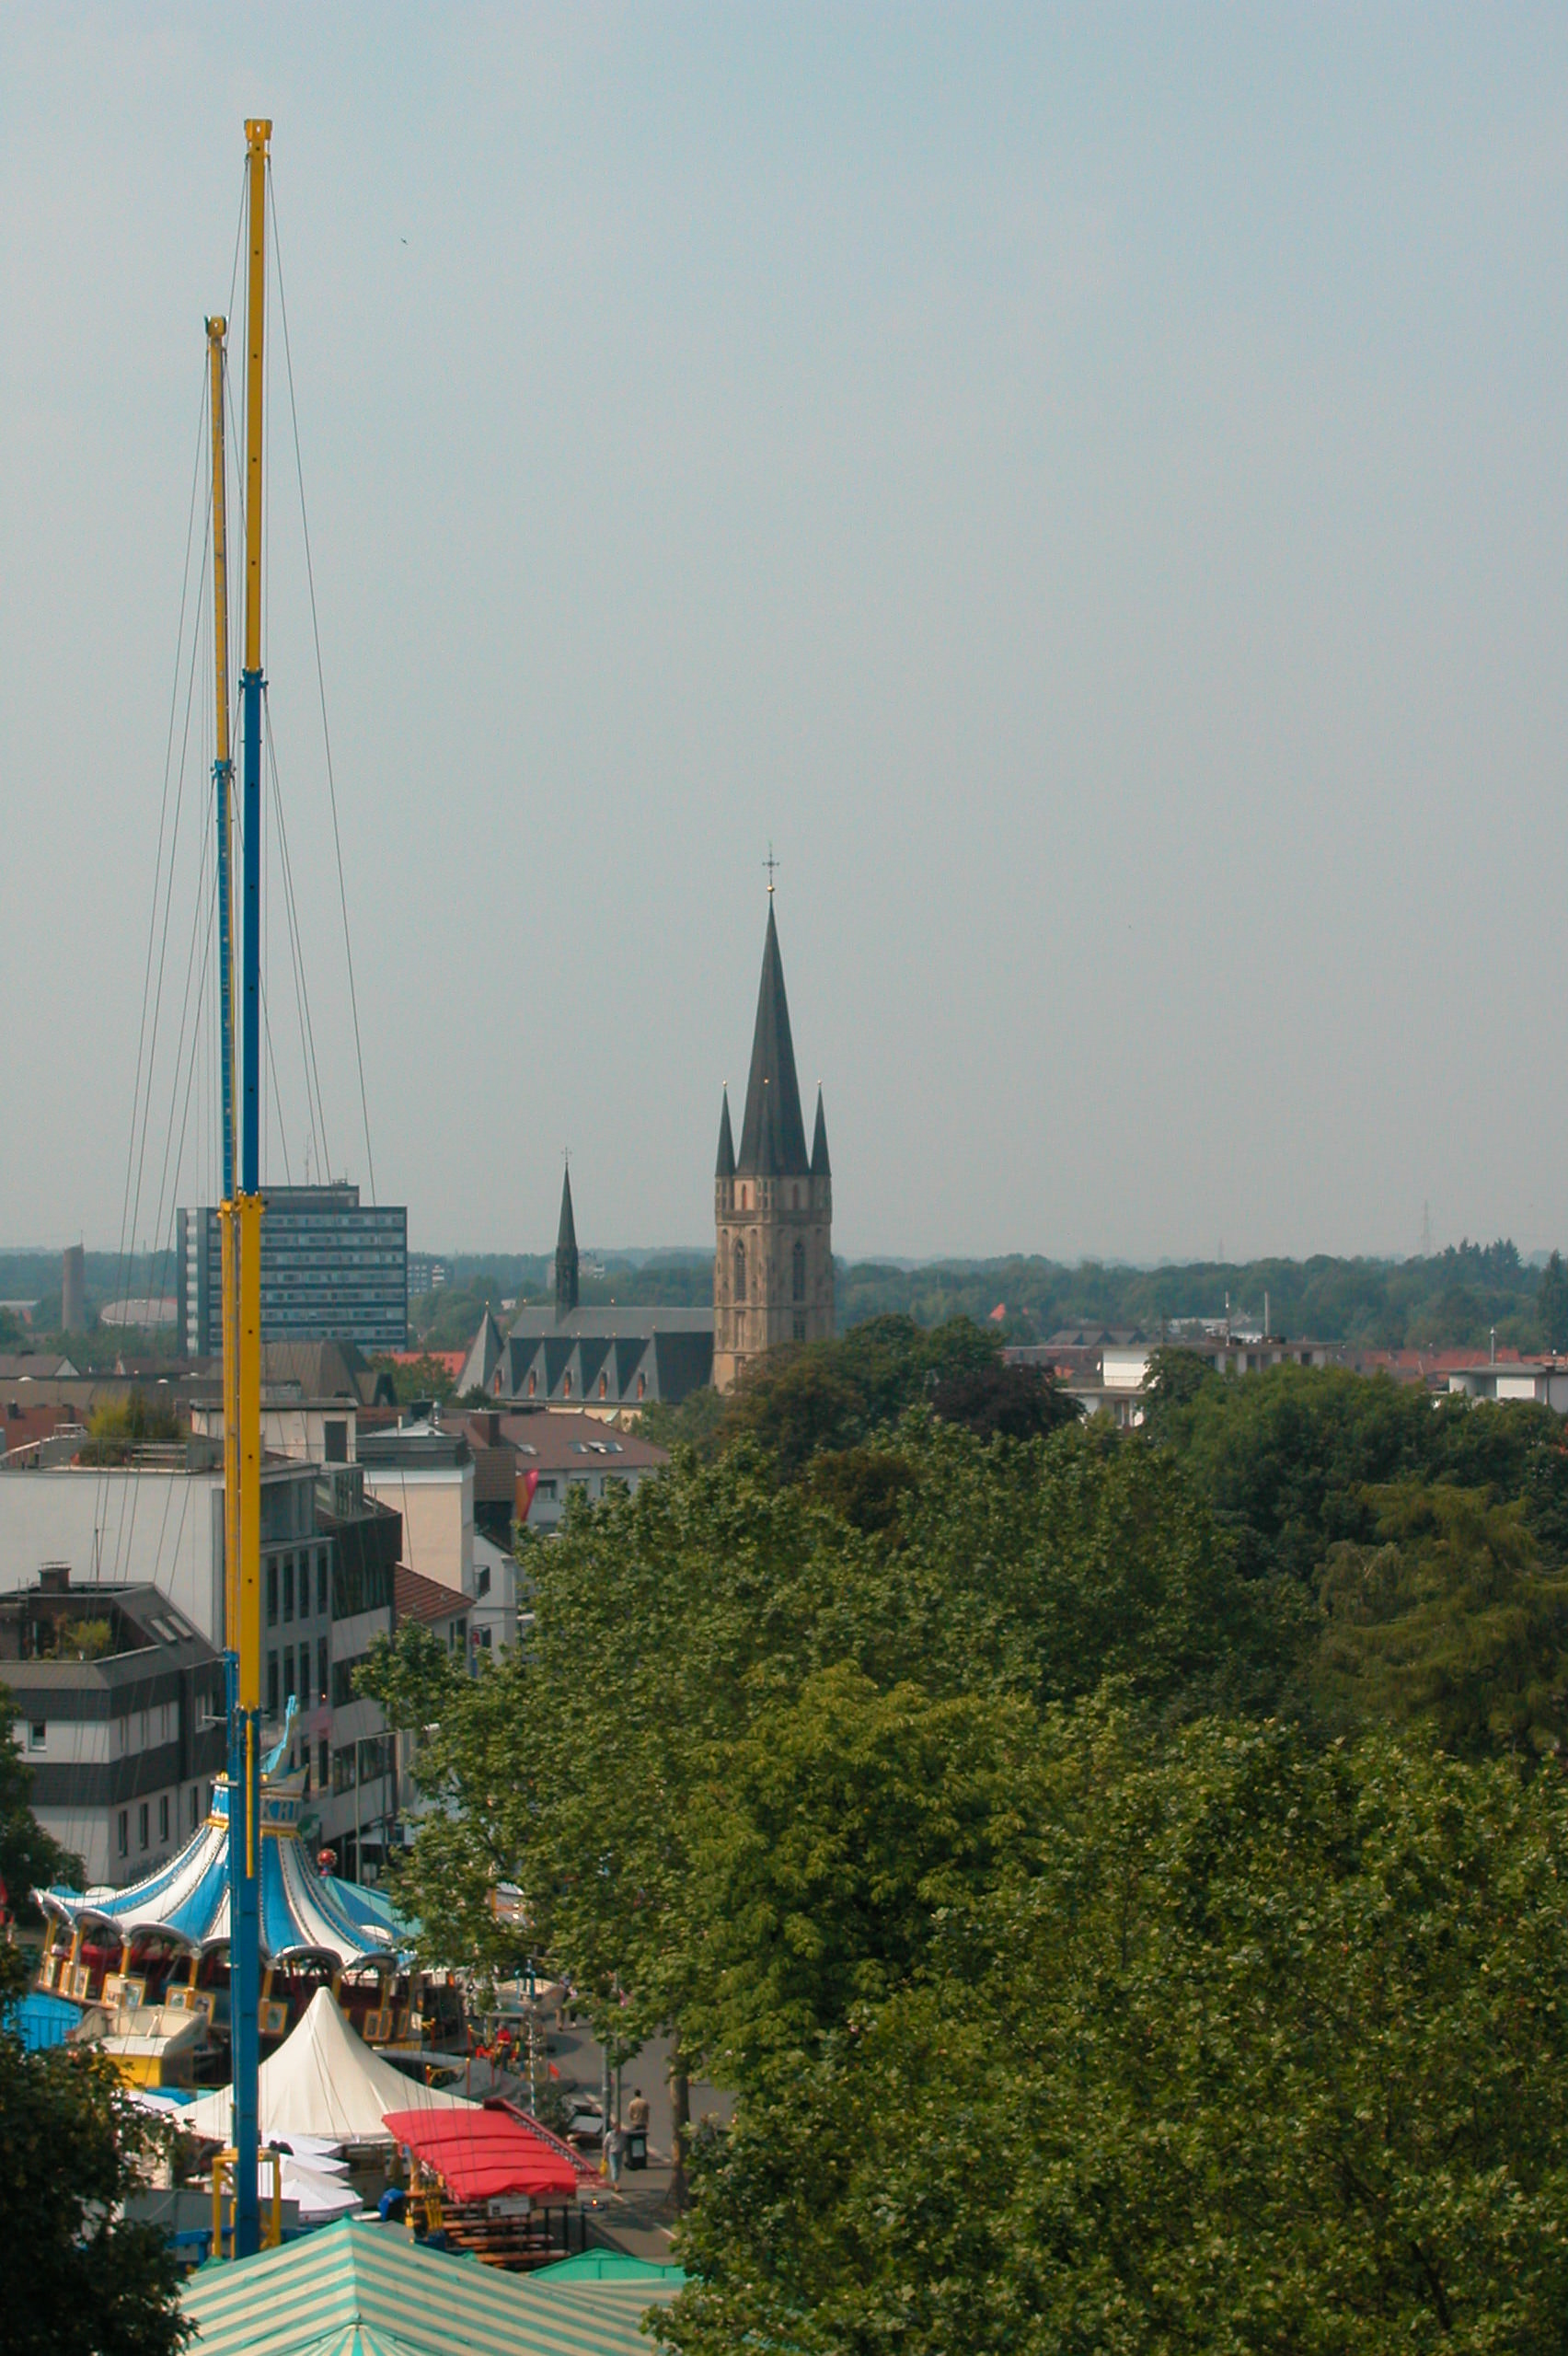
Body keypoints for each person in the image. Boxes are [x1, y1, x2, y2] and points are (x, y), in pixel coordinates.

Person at [605, 2120, 627, 2190]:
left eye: (619, 2127)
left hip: (620, 2153)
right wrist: (604, 2155)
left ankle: (615, 2182)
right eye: (617, 2128)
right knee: (614, 2168)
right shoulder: (610, 2135)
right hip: (612, 2153)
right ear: (614, 2128)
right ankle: (616, 2184)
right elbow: (605, 2145)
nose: (618, 2129)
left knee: (619, 2168)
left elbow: (625, 2142)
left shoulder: (623, 2134)